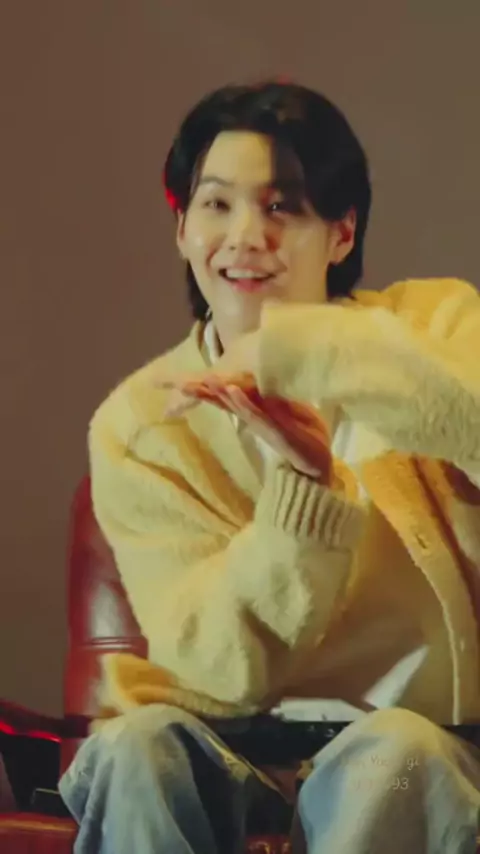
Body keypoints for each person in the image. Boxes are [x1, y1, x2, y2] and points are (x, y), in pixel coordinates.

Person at [58, 80, 480, 853]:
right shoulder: (139, 423)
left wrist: (306, 351)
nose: (245, 236)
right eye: (216, 204)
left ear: (342, 233)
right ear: (182, 229)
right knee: (133, 748)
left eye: (282, 206)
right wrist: (306, 494)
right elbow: (217, 666)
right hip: (227, 741)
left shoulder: (435, 327)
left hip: (412, 750)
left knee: (394, 754)